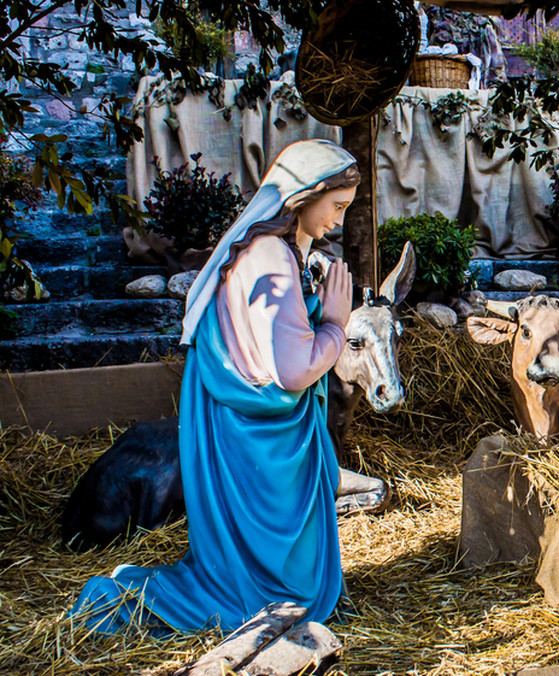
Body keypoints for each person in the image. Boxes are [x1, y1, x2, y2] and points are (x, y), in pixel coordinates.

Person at [70, 139, 359, 633]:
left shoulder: (265, 250)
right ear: (304, 194)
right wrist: (334, 324)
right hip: (265, 437)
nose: (339, 220)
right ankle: (123, 599)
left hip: (252, 430)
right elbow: (293, 371)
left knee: (280, 579)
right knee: (278, 592)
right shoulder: (271, 258)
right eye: (336, 206)